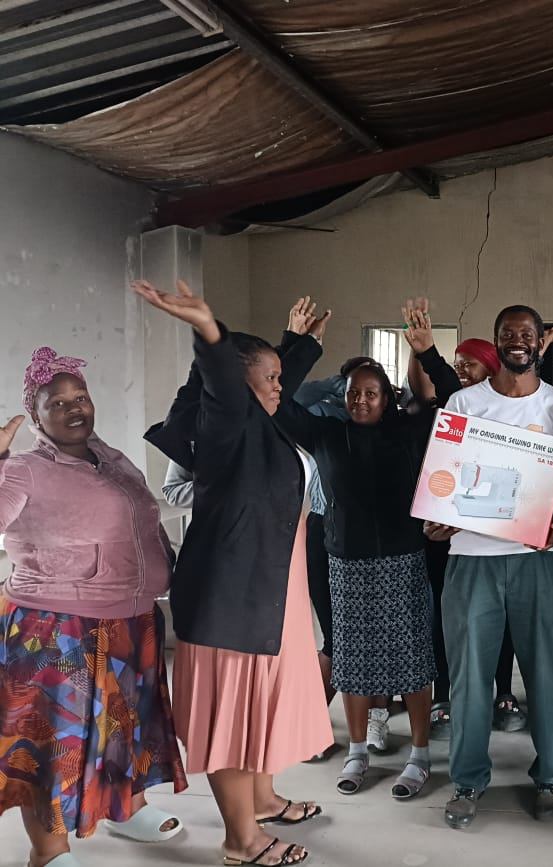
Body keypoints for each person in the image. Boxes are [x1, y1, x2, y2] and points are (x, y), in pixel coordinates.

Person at [136, 280, 333, 867]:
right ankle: (241, 840)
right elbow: (229, 382)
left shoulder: (262, 423)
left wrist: (297, 345)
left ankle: (264, 801)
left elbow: (261, 380)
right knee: (234, 715)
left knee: (261, 706)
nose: (280, 387)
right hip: (231, 602)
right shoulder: (224, 428)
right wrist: (208, 330)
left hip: (271, 592)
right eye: (269, 378)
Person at [0, 349, 188, 867]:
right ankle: (49, 849)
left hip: (129, 617)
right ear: (35, 415)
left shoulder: (111, 458)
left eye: (79, 397)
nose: (73, 408)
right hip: (56, 625)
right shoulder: (23, 470)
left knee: (124, 729)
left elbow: (143, 522)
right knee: (53, 745)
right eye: (57, 403)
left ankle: (127, 809)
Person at [274, 339, 443, 801]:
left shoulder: (409, 430)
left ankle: (420, 754)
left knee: (411, 659)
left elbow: (449, 400)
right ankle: (356, 752)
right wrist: (302, 345)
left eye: (371, 393)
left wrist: (425, 352)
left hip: (403, 562)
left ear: (387, 398)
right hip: (347, 565)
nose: (361, 400)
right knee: (351, 660)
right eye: (352, 392)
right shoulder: (327, 435)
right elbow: (278, 401)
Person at [427, 304, 553, 830]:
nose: (518, 341)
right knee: (469, 677)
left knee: (547, 673)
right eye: (508, 333)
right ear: (497, 342)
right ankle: (467, 780)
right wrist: (437, 515)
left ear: (539, 342)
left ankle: (552, 774)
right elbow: (444, 474)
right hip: (472, 558)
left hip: (540, 559)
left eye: (526, 333)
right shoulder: (464, 402)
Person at [401, 304, 526, 737]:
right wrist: (421, 352)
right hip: (440, 531)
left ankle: (503, 692)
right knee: (445, 614)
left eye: (469, 364)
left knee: (501, 617)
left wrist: (430, 354)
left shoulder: (497, 411)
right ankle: (444, 694)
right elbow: (437, 389)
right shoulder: (439, 411)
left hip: (492, 531)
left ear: (491, 369)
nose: (461, 372)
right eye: (456, 365)